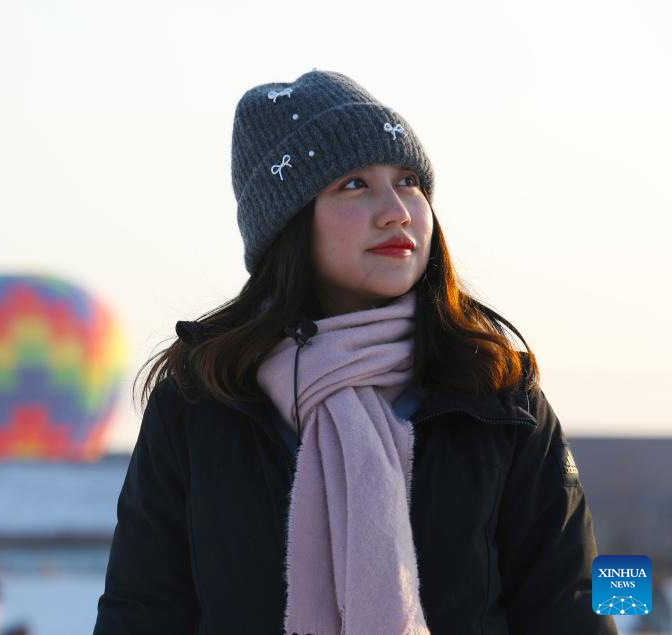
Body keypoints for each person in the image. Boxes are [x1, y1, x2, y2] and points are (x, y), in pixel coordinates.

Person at [93, 69, 616, 635]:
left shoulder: (498, 397)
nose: (396, 210)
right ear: (288, 222)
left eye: (408, 181)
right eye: (354, 184)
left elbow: (571, 605)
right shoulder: (203, 403)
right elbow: (142, 610)